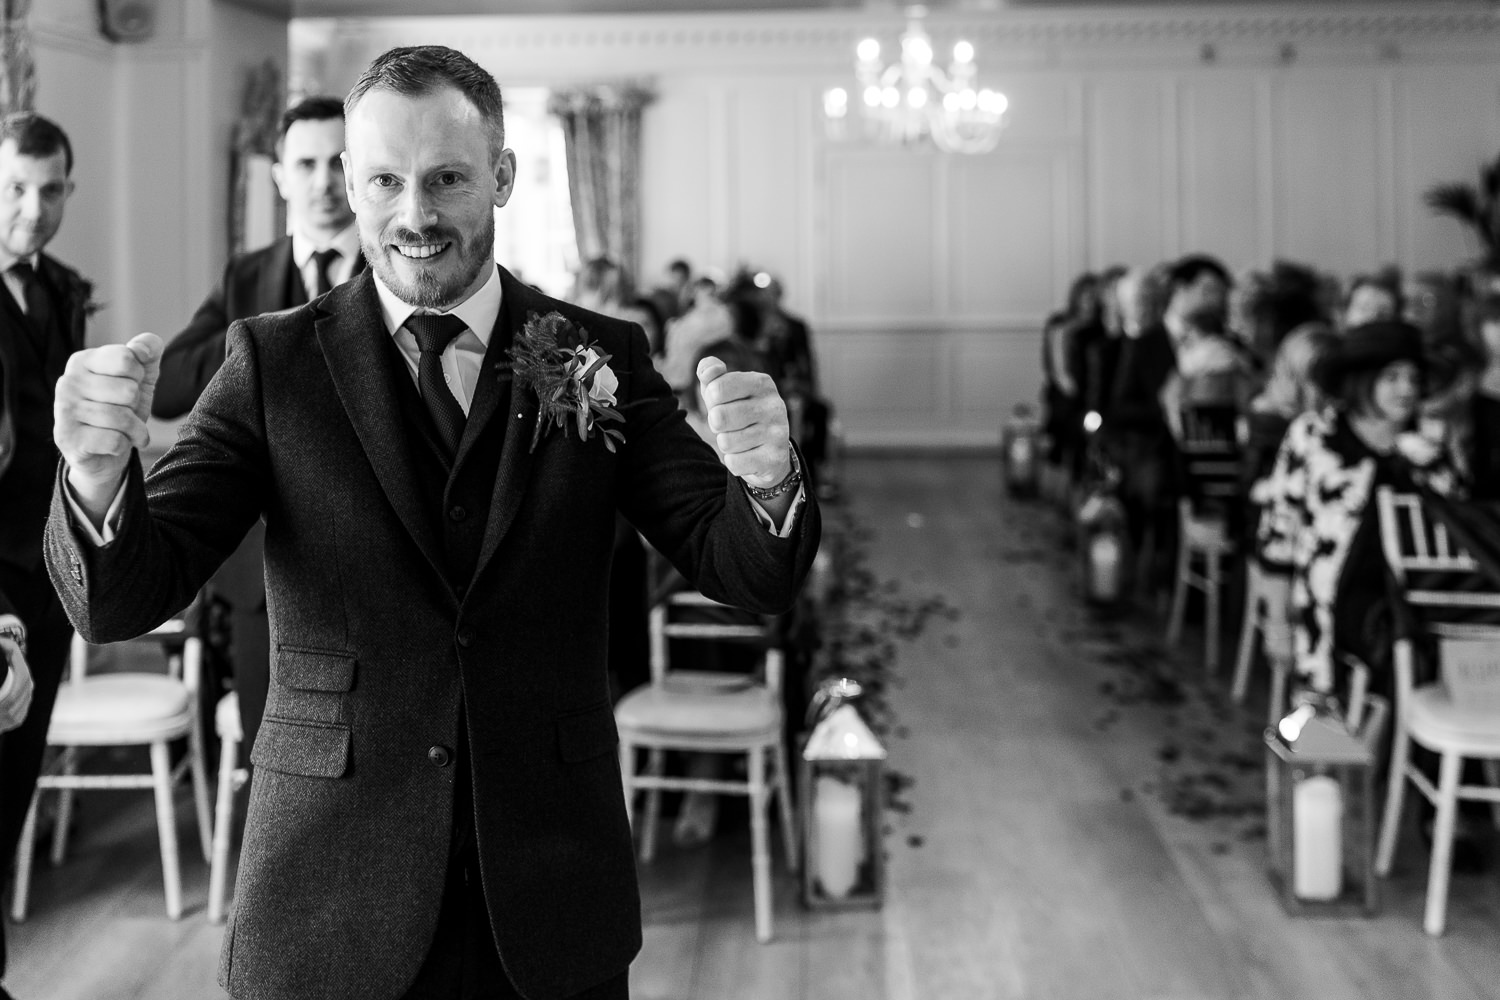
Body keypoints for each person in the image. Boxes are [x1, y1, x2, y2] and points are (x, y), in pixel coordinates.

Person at [48, 44, 818, 1000]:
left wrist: (768, 480)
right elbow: (123, 599)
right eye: (385, 181)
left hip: (550, 886)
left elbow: (748, 570)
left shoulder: (597, 353)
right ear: (349, 183)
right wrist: (93, 476)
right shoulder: (270, 363)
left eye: (447, 178)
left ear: (500, 176)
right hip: (329, 892)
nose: (413, 215)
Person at [150, 96, 365, 763]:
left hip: (365, 562)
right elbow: (168, 387)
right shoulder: (245, 278)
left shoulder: (395, 266)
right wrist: (268, 345)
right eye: (306, 164)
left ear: (359, 172)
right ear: (280, 177)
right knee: (268, 773)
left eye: (338, 162)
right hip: (259, 575)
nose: (323, 180)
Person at [0, 111, 90, 998]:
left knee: (9, 790)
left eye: (51, 188)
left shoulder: (60, 288)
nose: (34, 209)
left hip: (48, 577)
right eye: (16, 188)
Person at [1256, 321, 1460, 696]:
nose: (1407, 389)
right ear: (1362, 379)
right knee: (1400, 655)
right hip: (1333, 605)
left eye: (1414, 378)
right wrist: (1277, 624)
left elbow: (1452, 538)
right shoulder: (1314, 435)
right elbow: (1278, 536)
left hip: (1416, 605)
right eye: (1392, 377)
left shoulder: (1427, 448)